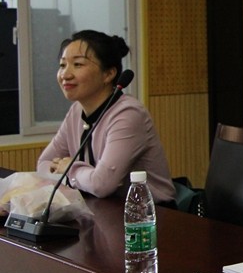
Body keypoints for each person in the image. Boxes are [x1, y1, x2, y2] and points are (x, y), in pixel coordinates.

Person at [36, 30, 175, 204]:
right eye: (63, 65)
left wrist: (70, 169)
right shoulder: (76, 111)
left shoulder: (128, 114)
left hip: (150, 213)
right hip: (102, 207)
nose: (65, 74)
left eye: (78, 64)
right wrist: (80, 176)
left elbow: (102, 184)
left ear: (108, 74)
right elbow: (43, 164)